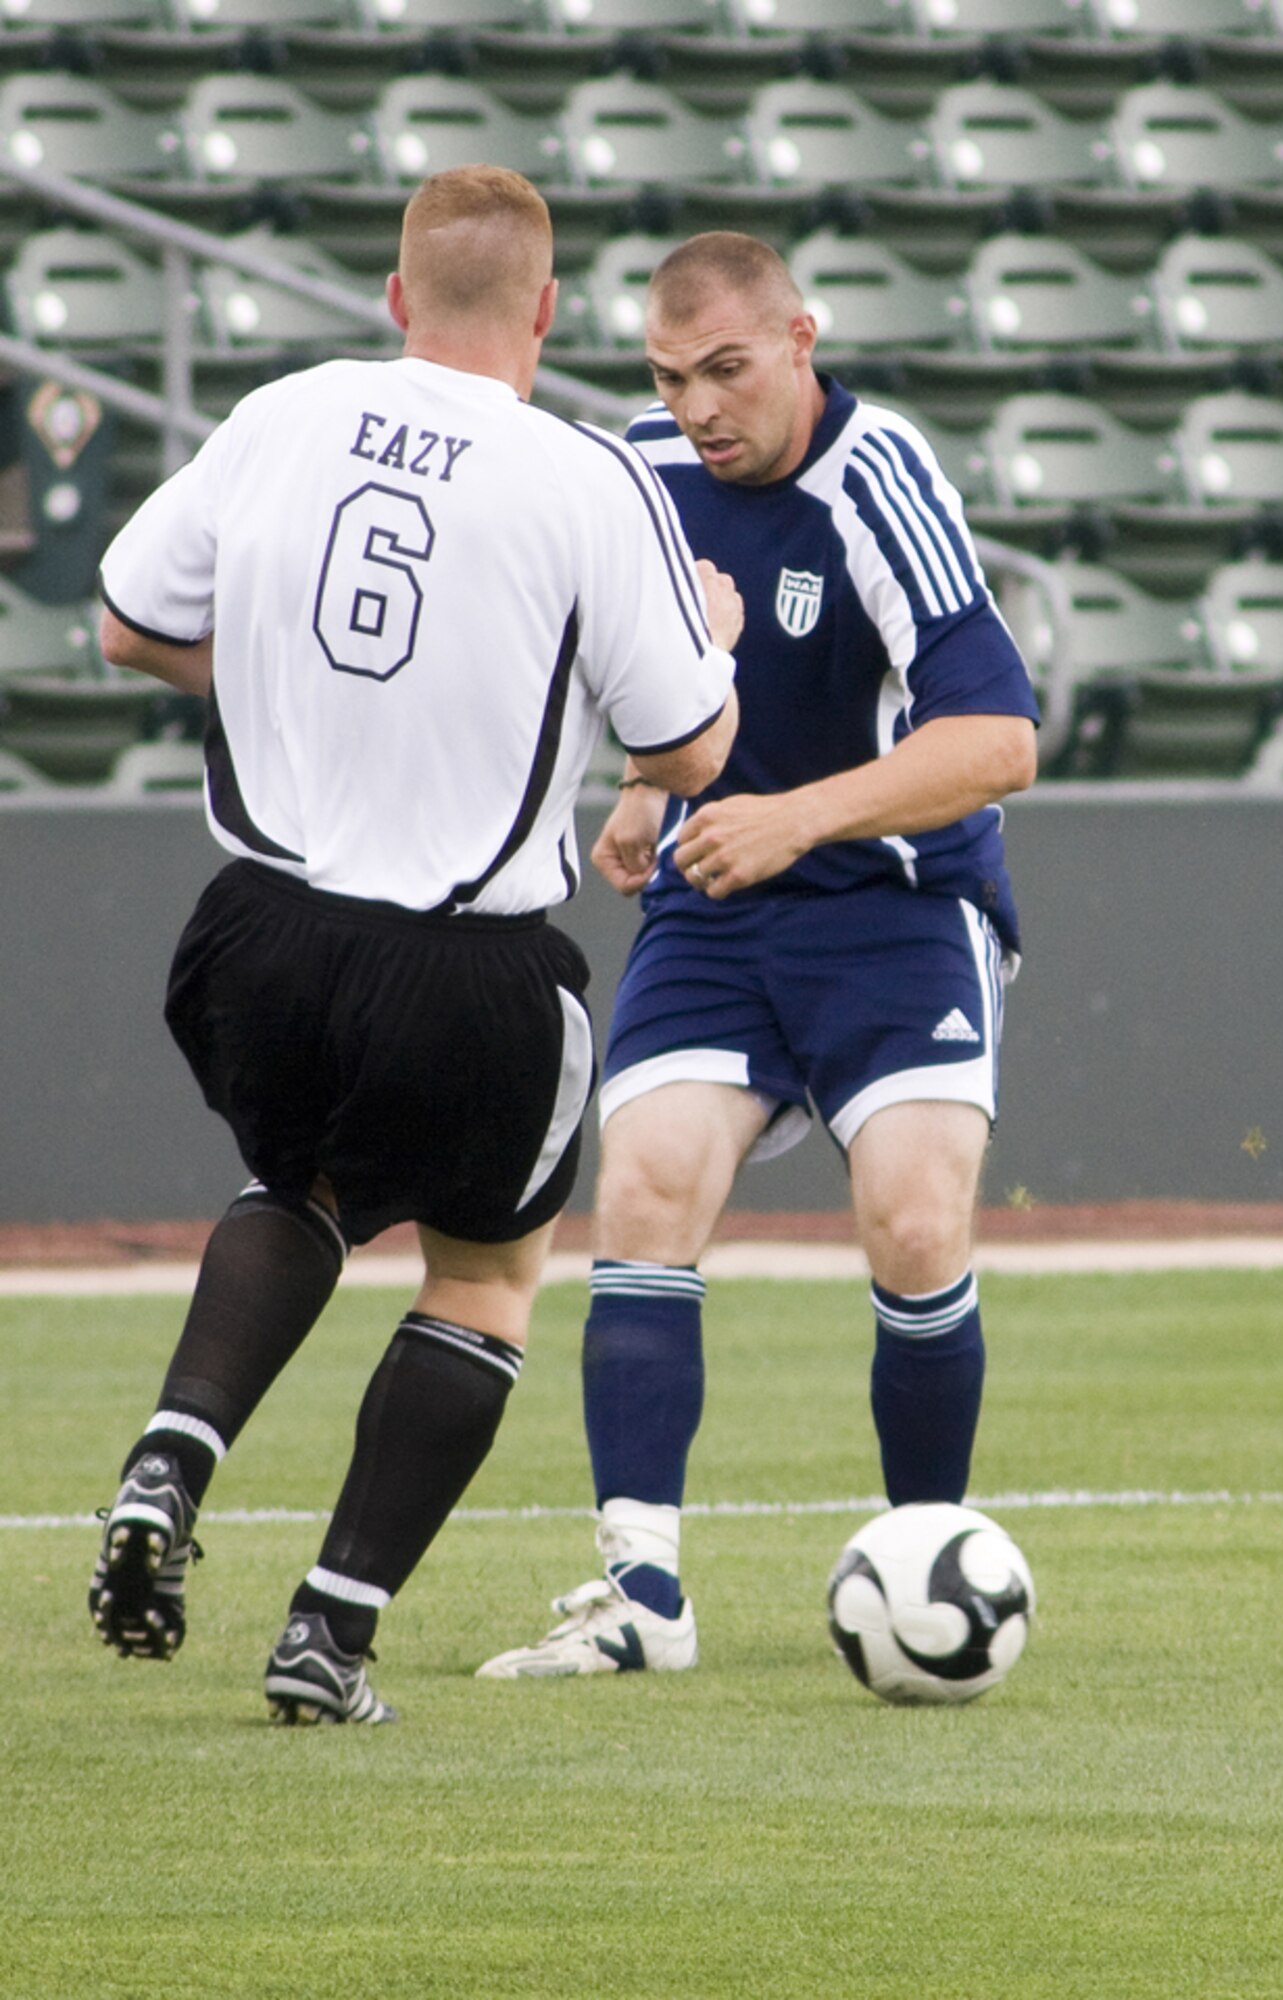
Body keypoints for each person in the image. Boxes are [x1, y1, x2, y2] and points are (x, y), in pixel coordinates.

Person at [86, 166, 741, 1724]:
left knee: (298, 1184)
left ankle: (169, 1460)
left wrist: (280, 683)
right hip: (459, 962)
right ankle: (330, 1629)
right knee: (487, 1274)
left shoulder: (283, 412)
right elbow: (696, 754)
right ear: (546, 309)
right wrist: (703, 637)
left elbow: (122, 622)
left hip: (251, 934)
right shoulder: (588, 481)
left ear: (395, 298)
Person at [477, 230, 1039, 1681]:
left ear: (801, 337)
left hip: (899, 904)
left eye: (729, 367)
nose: (703, 404)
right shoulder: (642, 472)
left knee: (916, 1219)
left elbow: (998, 742)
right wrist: (647, 792)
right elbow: (641, 679)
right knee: (648, 1184)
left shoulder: (880, 476)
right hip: (719, 906)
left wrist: (794, 820)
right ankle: (642, 1598)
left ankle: (927, 1563)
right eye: (673, 375)